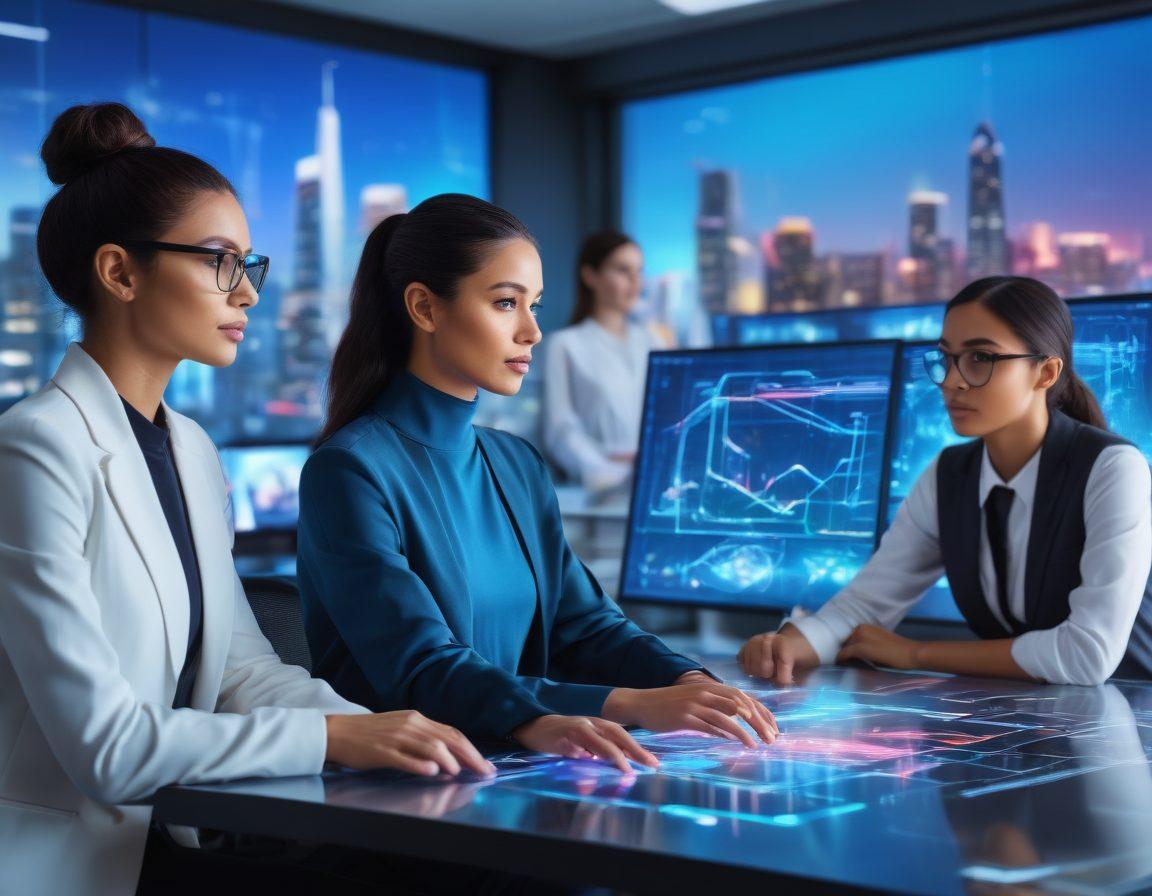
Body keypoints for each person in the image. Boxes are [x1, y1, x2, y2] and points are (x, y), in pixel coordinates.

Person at [0, 103, 492, 896]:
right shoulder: (35, 447)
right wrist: (332, 737)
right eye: (220, 261)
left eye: (248, 264)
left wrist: (378, 728)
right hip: (65, 868)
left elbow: (241, 671)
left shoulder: (191, 447)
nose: (247, 294)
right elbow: (106, 749)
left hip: (176, 842)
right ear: (121, 272)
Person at [298, 195, 778, 767]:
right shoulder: (349, 468)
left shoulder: (516, 463)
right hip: (401, 791)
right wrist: (634, 705)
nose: (532, 331)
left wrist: (689, 679)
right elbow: (421, 667)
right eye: (506, 303)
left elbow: (585, 624)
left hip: (509, 769)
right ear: (424, 308)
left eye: (535, 306)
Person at [738, 276, 1152, 687]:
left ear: (1044, 373)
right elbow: (865, 607)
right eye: (946, 358)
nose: (952, 381)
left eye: (980, 359)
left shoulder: (1113, 469)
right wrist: (791, 643)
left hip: (1133, 719)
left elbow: (1087, 655)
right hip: (1031, 722)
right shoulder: (949, 475)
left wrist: (915, 654)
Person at [542, 230, 665, 493]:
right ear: (590, 276)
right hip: (601, 490)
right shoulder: (565, 344)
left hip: (654, 482)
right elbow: (560, 430)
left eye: (639, 271)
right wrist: (605, 474)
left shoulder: (653, 341)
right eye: (623, 270)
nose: (635, 282)